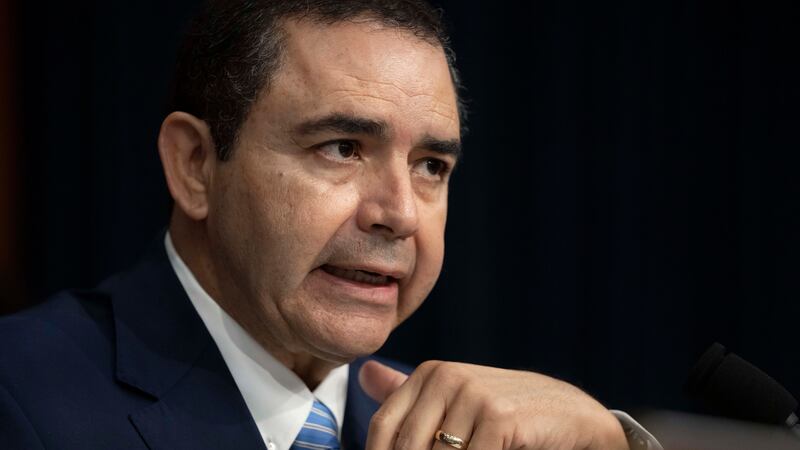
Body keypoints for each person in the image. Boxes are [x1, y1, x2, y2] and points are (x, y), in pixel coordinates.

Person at [0, 1, 661, 449]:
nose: (400, 214)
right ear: (195, 165)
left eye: (431, 166)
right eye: (342, 148)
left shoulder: (457, 429)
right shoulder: (21, 395)